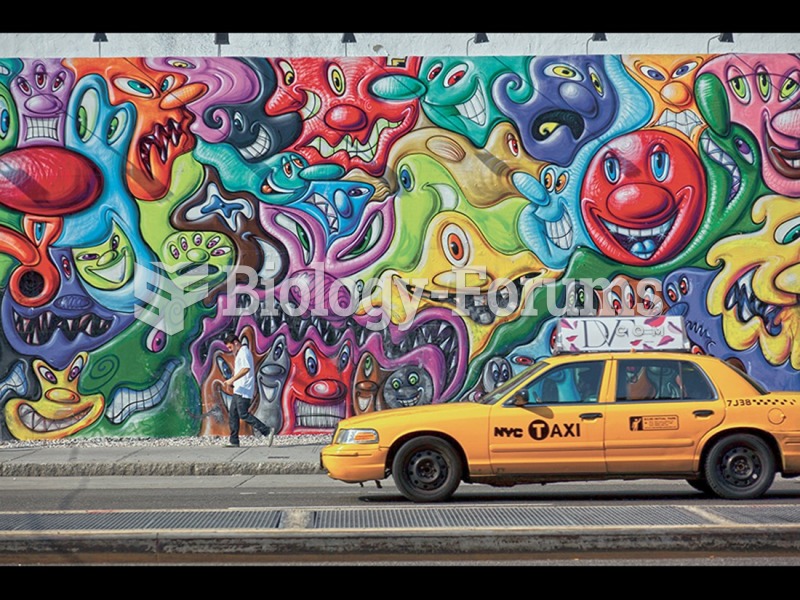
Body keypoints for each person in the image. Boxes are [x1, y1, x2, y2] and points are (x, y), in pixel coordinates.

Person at [222, 331, 274, 447]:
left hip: (244, 390)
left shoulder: (244, 352)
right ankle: (234, 441)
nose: (230, 350)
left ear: (236, 343)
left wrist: (232, 380)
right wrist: (233, 381)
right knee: (233, 414)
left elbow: (246, 369)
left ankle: (267, 431)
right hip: (239, 389)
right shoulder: (240, 353)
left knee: (243, 414)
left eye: (230, 347)